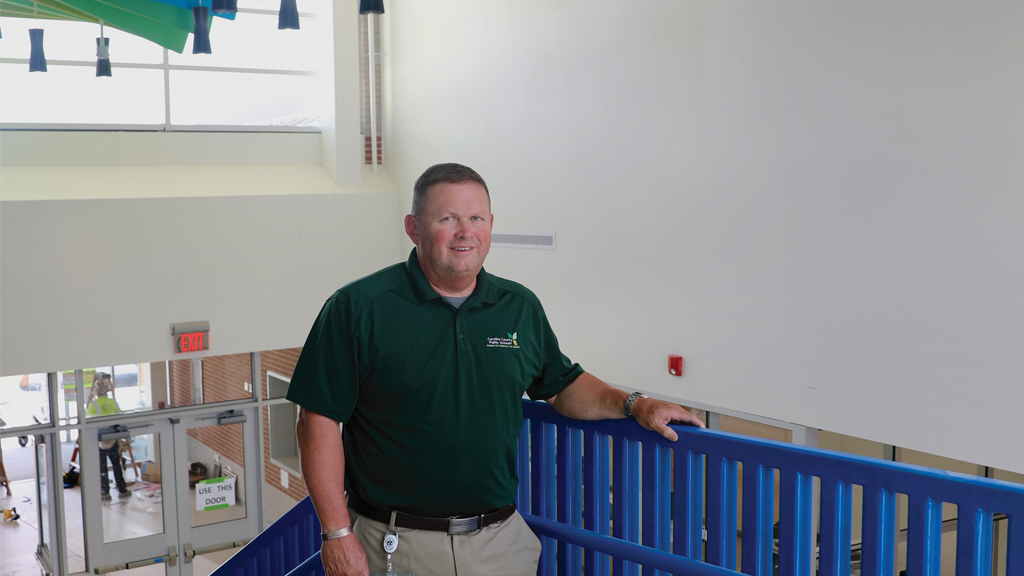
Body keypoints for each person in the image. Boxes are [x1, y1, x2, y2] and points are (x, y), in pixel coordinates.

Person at [287, 163, 704, 576]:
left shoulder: (519, 307)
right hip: (396, 545)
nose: (465, 232)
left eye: (476, 218)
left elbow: (561, 385)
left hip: (501, 543)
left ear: (491, 225)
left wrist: (636, 404)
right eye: (447, 218)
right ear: (414, 228)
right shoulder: (358, 308)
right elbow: (318, 419)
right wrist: (337, 533)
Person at [86, 373, 131, 502]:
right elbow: (120, 417)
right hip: (112, 438)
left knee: (102, 467)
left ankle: (105, 492)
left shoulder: (93, 405)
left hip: (99, 439)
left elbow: (87, 421)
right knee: (116, 465)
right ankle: (122, 489)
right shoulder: (113, 402)